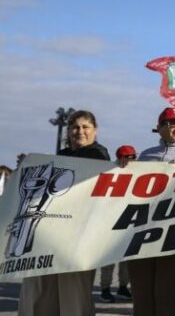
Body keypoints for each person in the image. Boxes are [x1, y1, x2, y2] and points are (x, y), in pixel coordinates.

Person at [18, 110, 109, 316]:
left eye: (85, 127)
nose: (80, 131)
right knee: (43, 289)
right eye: (75, 127)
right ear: (68, 131)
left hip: (80, 236)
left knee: (74, 293)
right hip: (52, 235)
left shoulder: (99, 155)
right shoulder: (62, 156)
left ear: (95, 131)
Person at [123, 108, 175, 316]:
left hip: (174, 236)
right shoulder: (145, 156)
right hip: (142, 235)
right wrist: (123, 167)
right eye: (171, 123)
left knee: (166, 296)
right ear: (159, 128)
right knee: (142, 298)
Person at [97, 146, 137, 303]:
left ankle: (122, 287)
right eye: (129, 157)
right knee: (108, 261)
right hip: (110, 223)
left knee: (126, 261)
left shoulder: (138, 172)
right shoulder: (110, 172)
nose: (131, 160)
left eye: (133, 157)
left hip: (128, 222)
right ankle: (105, 289)